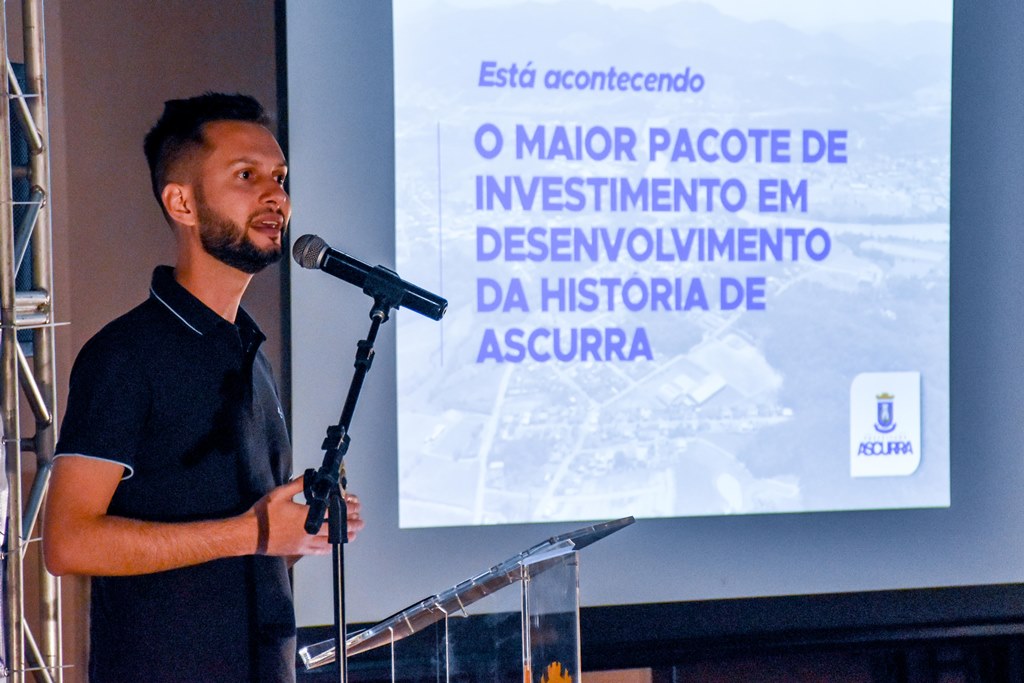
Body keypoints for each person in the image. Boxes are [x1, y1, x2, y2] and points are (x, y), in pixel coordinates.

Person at [42, 92, 361, 682]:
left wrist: (297, 530)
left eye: (280, 177)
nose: (276, 196)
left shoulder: (250, 356)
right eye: (246, 176)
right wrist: (254, 532)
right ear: (182, 202)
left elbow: (237, 557)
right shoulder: (125, 355)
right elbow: (67, 542)